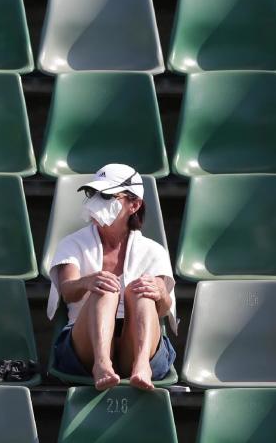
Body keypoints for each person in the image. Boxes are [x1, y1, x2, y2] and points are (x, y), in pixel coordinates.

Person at [47, 163, 178, 391]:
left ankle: (141, 365)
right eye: (92, 193)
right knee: (106, 287)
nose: (96, 201)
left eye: (106, 195)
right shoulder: (72, 243)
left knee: (142, 290)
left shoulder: (154, 250)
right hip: (83, 343)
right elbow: (67, 291)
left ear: (134, 205)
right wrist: (87, 282)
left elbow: (165, 309)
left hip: (139, 341)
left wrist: (161, 292)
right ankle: (102, 364)